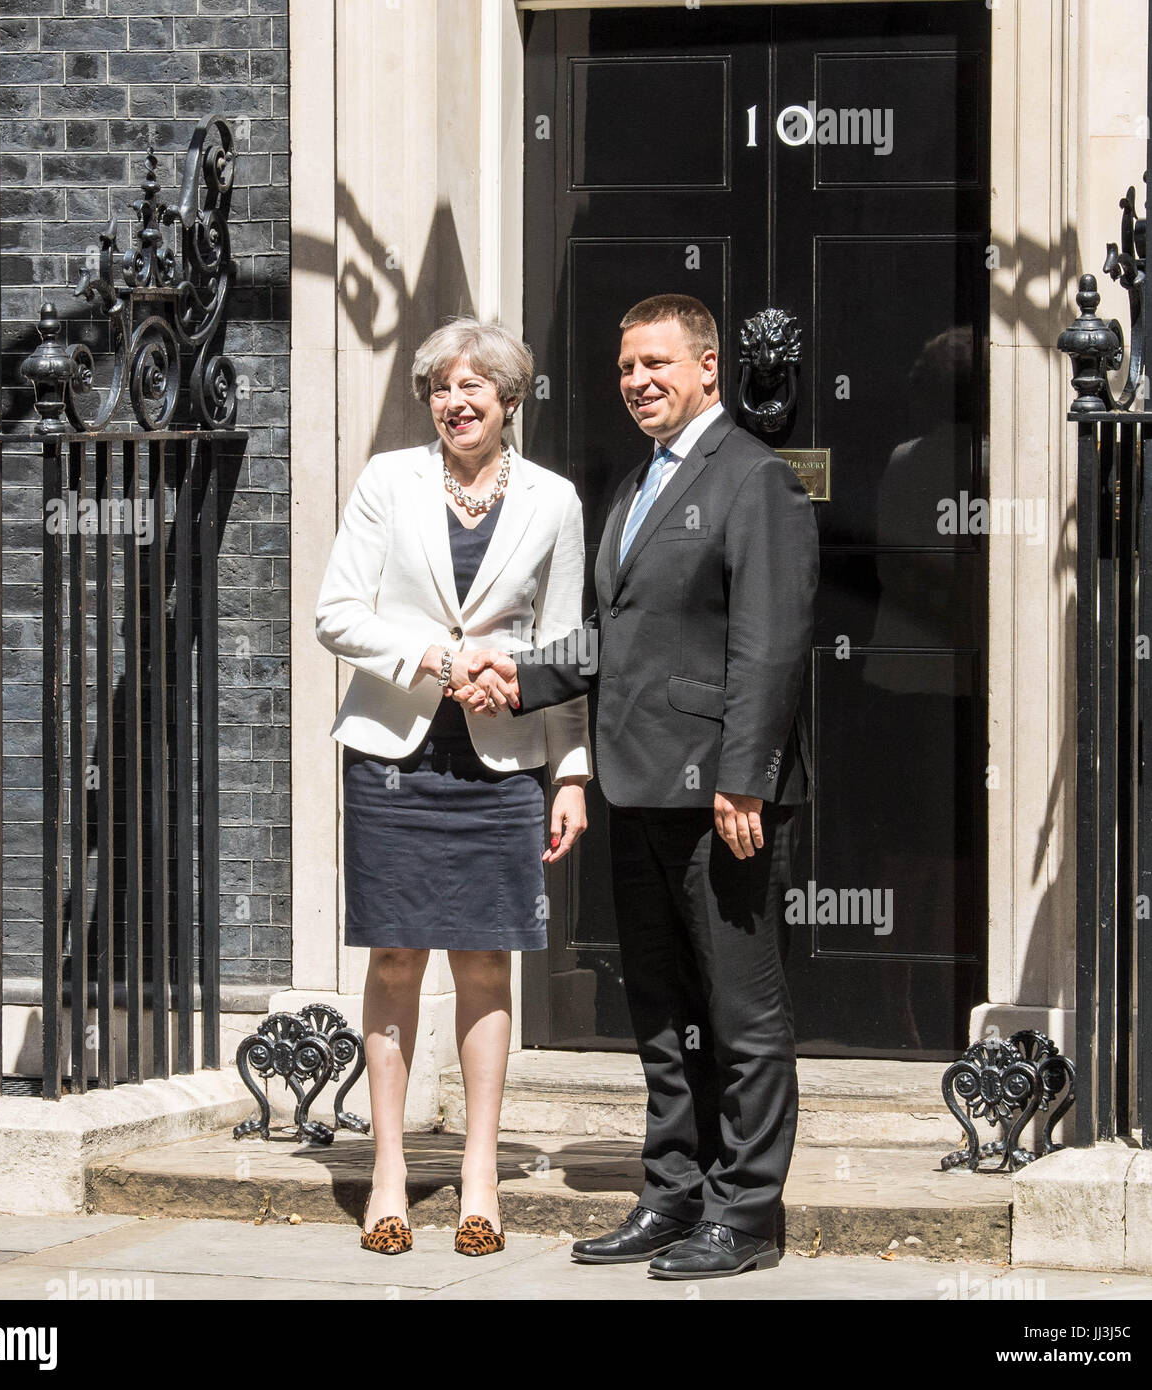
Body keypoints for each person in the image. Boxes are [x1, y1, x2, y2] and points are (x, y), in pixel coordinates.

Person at [455, 294, 818, 1279]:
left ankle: (746, 1213)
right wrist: (520, 675)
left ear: (707, 367)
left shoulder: (755, 481)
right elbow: (620, 637)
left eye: (657, 363)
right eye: (624, 368)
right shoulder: (638, 486)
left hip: (720, 800)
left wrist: (745, 777)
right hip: (639, 783)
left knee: (743, 1014)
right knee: (661, 1011)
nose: (638, 381)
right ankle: (673, 1195)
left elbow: (772, 646)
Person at [314, 318, 591, 1257]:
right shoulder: (387, 481)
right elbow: (336, 612)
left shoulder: (553, 500)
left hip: (502, 761)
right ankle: (389, 1171)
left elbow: (564, 649)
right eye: (440, 387)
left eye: (475, 387)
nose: (455, 401)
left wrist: (572, 771)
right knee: (394, 960)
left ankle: (478, 1172)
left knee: (484, 961)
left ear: (510, 401)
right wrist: (437, 656)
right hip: (394, 754)